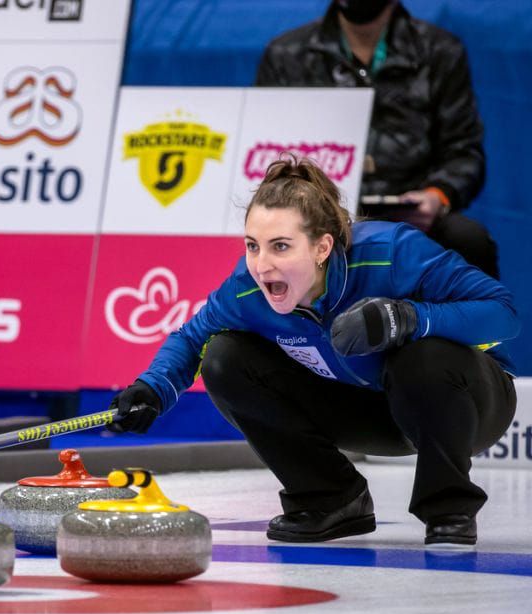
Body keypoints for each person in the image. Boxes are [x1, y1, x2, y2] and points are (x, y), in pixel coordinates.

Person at [108, 157, 518, 546]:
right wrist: (153, 388)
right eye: (253, 246)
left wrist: (409, 318)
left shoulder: (392, 252)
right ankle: (331, 498)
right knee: (224, 356)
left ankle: (449, 508)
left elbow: (502, 314)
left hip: (468, 404)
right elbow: (191, 339)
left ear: (322, 248)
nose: (261, 265)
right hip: (374, 413)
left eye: (280, 246)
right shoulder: (248, 289)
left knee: (424, 356)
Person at [255, 0, 499, 278]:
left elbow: (464, 151)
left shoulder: (440, 51)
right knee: (272, 242)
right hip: (316, 216)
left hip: (411, 218)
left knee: (469, 239)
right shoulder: (286, 54)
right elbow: (266, 150)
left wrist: (436, 195)